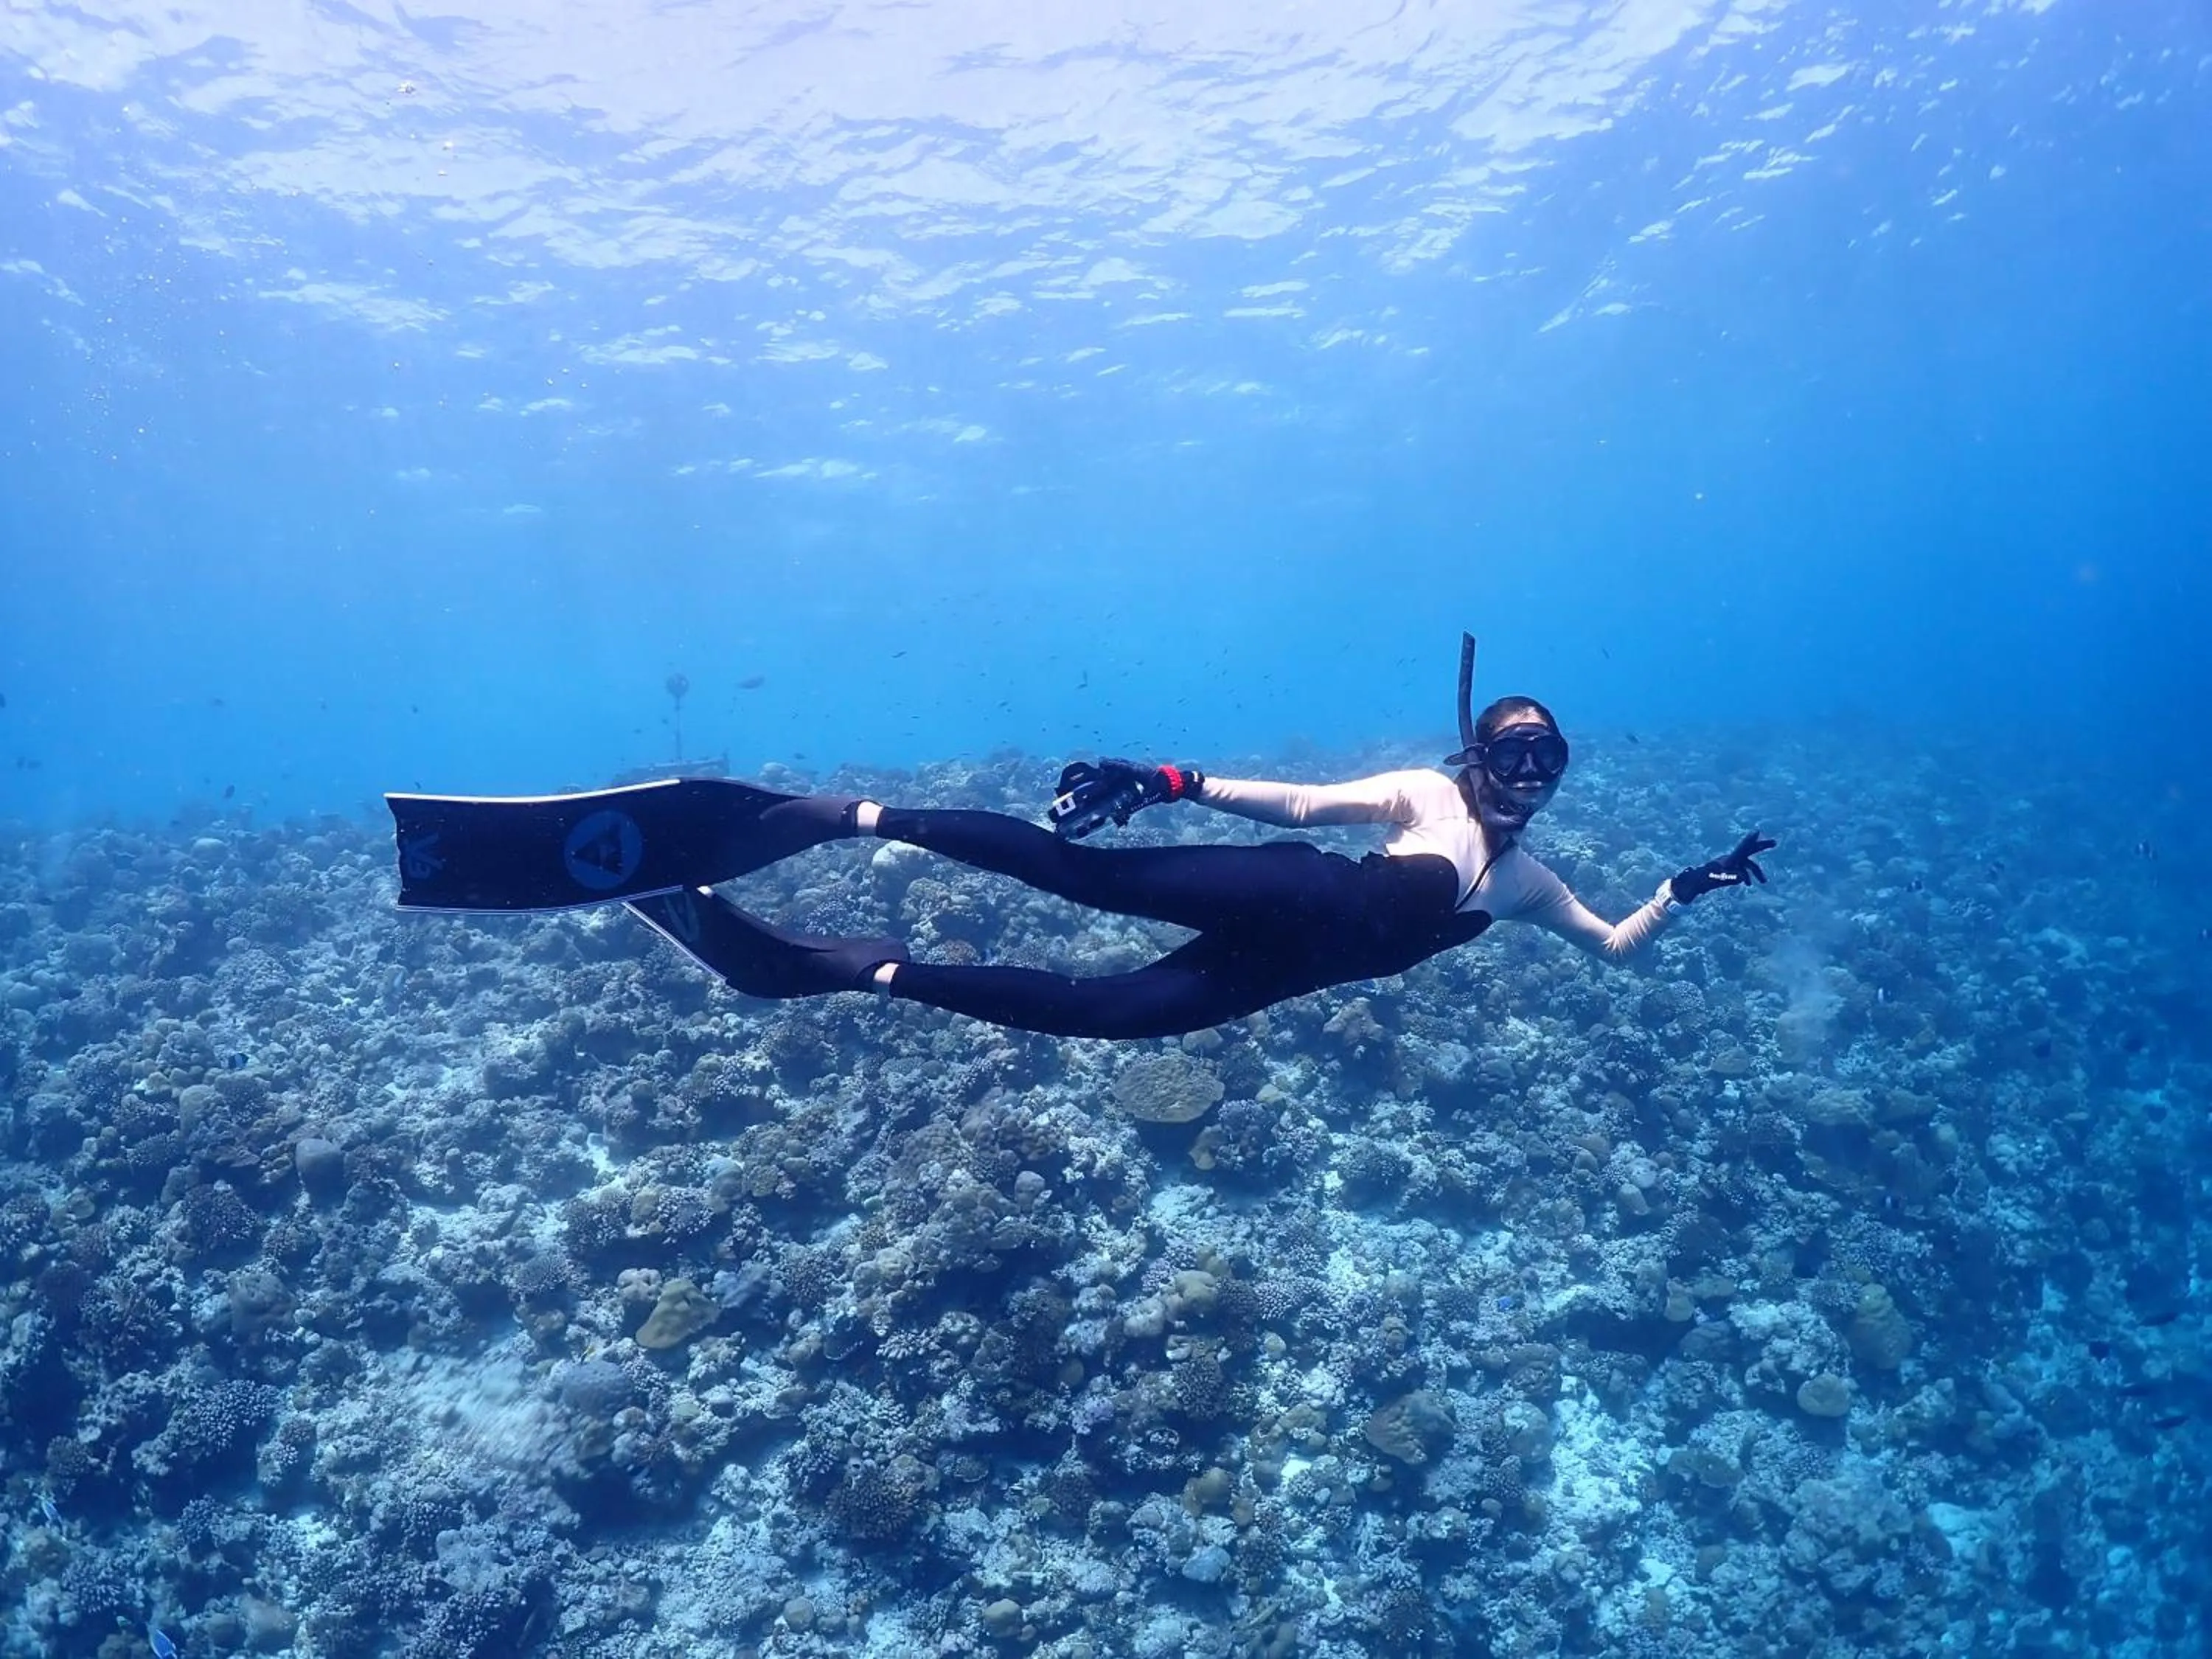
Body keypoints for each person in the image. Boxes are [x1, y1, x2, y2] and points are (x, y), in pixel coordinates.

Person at [386, 636, 1771, 1040]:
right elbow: (1297, 808)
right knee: (1080, 873)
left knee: (1099, 1016)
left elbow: (1610, 950)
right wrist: (1170, 771)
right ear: (1477, 751)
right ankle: (833, 812)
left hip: (1275, 973)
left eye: (1549, 758)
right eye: (1512, 749)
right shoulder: (1425, 793)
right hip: (1288, 888)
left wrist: (1688, 886)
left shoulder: (1530, 882)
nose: (1528, 772)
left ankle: (846, 967)